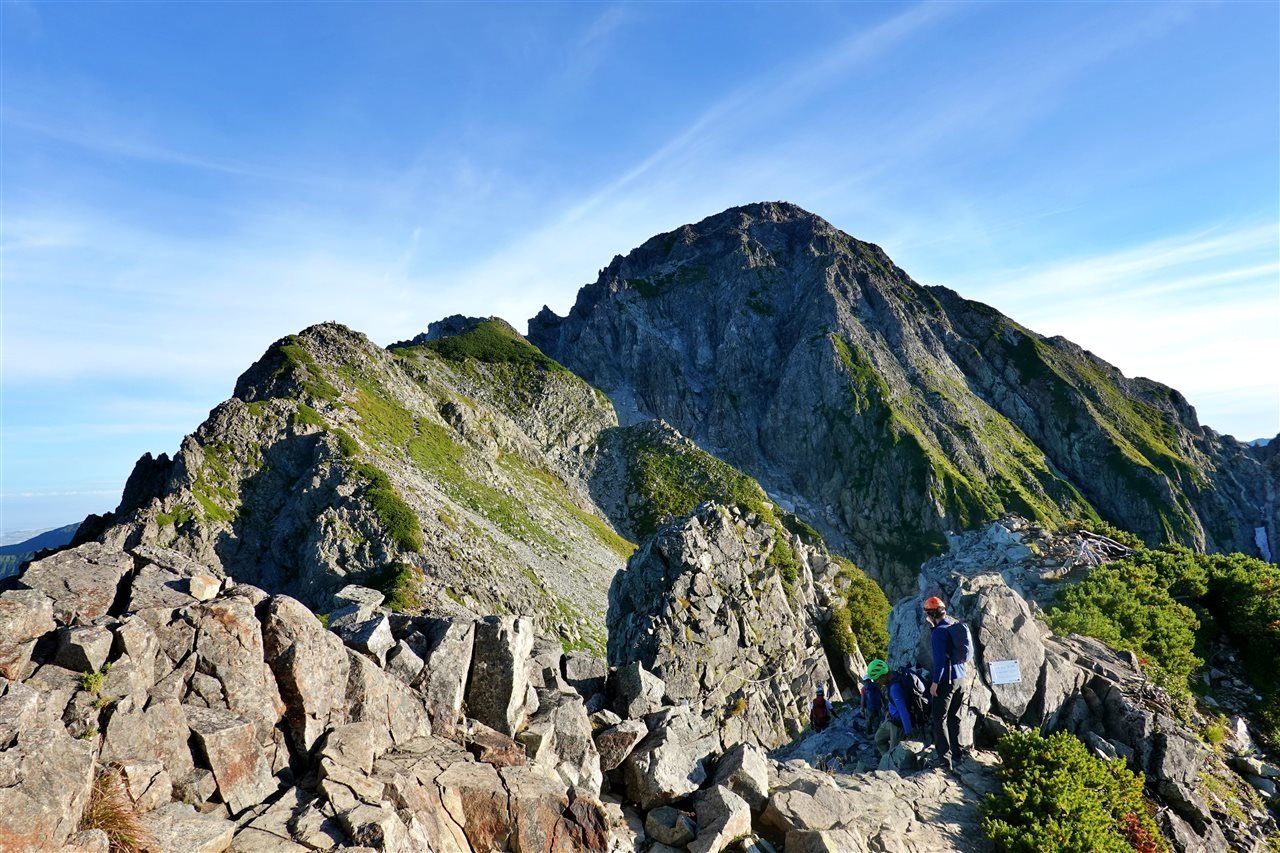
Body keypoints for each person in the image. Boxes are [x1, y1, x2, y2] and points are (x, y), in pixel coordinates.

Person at [924, 595, 973, 771]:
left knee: (939, 719)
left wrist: (935, 683)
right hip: (961, 679)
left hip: (946, 681)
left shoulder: (938, 633)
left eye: (927, 613)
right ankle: (958, 754)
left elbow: (939, 661)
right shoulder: (953, 625)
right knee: (955, 717)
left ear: (931, 614)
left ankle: (944, 759)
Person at [872, 662, 917, 755]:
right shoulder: (894, 678)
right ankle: (886, 758)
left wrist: (909, 733)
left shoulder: (895, 688)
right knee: (878, 739)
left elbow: (903, 712)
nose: (877, 682)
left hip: (898, 725)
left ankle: (891, 764)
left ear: (883, 676)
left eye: (877, 679)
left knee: (893, 752)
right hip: (891, 719)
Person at [861, 659, 886, 734]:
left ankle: (868, 734)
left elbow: (862, 700)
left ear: (864, 681)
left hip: (869, 707)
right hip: (878, 706)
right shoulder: (876, 685)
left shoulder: (863, 688)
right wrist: (884, 706)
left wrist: (862, 709)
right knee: (877, 721)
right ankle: (876, 734)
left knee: (869, 721)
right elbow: (882, 696)